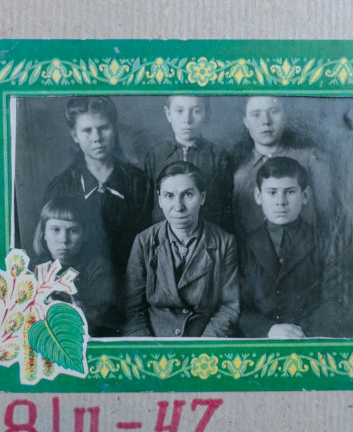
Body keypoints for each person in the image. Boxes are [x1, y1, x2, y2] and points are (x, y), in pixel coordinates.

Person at [238, 157, 353, 339]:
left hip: (309, 339)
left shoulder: (326, 243)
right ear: (258, 196)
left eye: (290, 192)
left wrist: (300, 332)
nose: (281, 202)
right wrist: (270, 329)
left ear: (305, 196)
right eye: (272, 192)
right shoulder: (244, 246)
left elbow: (337, 301)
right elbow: (240, 306)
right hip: (263, 340)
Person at [124, 162, 239, 338]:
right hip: (154, 341)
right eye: (169, 195)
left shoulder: (225, 242)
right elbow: (131, 310)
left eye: (187, 195)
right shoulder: (143, 241)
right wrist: (147, 348)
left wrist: (204, 347)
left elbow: (228, 307)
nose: (178, 206)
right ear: (159, 199)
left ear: (202, 197)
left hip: (203, 341)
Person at [43, 96, 151, 280]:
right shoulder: (61, 187)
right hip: (79, 286)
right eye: (87, 130)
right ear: (75, 135)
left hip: (133, 282)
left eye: (103, 128)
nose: (96, 138)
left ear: (114, 129)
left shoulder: (138, 182)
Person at [232, 96, 338, 239]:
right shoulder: (240, 175)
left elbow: (329, 217)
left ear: (284, 116)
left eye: (273, 112)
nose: (266, 121)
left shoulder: (310, 159)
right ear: (246, 122)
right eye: (256, 114)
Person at [33, 197, 121, 337]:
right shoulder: (32, 268)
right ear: (44, 234)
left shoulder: (97, 268)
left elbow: (104, 316)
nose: (64, 240)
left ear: (85, 234)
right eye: (56, 230)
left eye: (73, 231)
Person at [143, 96, 234, 232]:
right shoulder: (155, 156)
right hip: (164, 237)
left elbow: (227, 208)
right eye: (179, 111)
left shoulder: (219, 156)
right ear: (168, 113)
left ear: (207, 113)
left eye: (196, 111)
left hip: (208, 236)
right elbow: (146, 207)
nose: (187, 120)